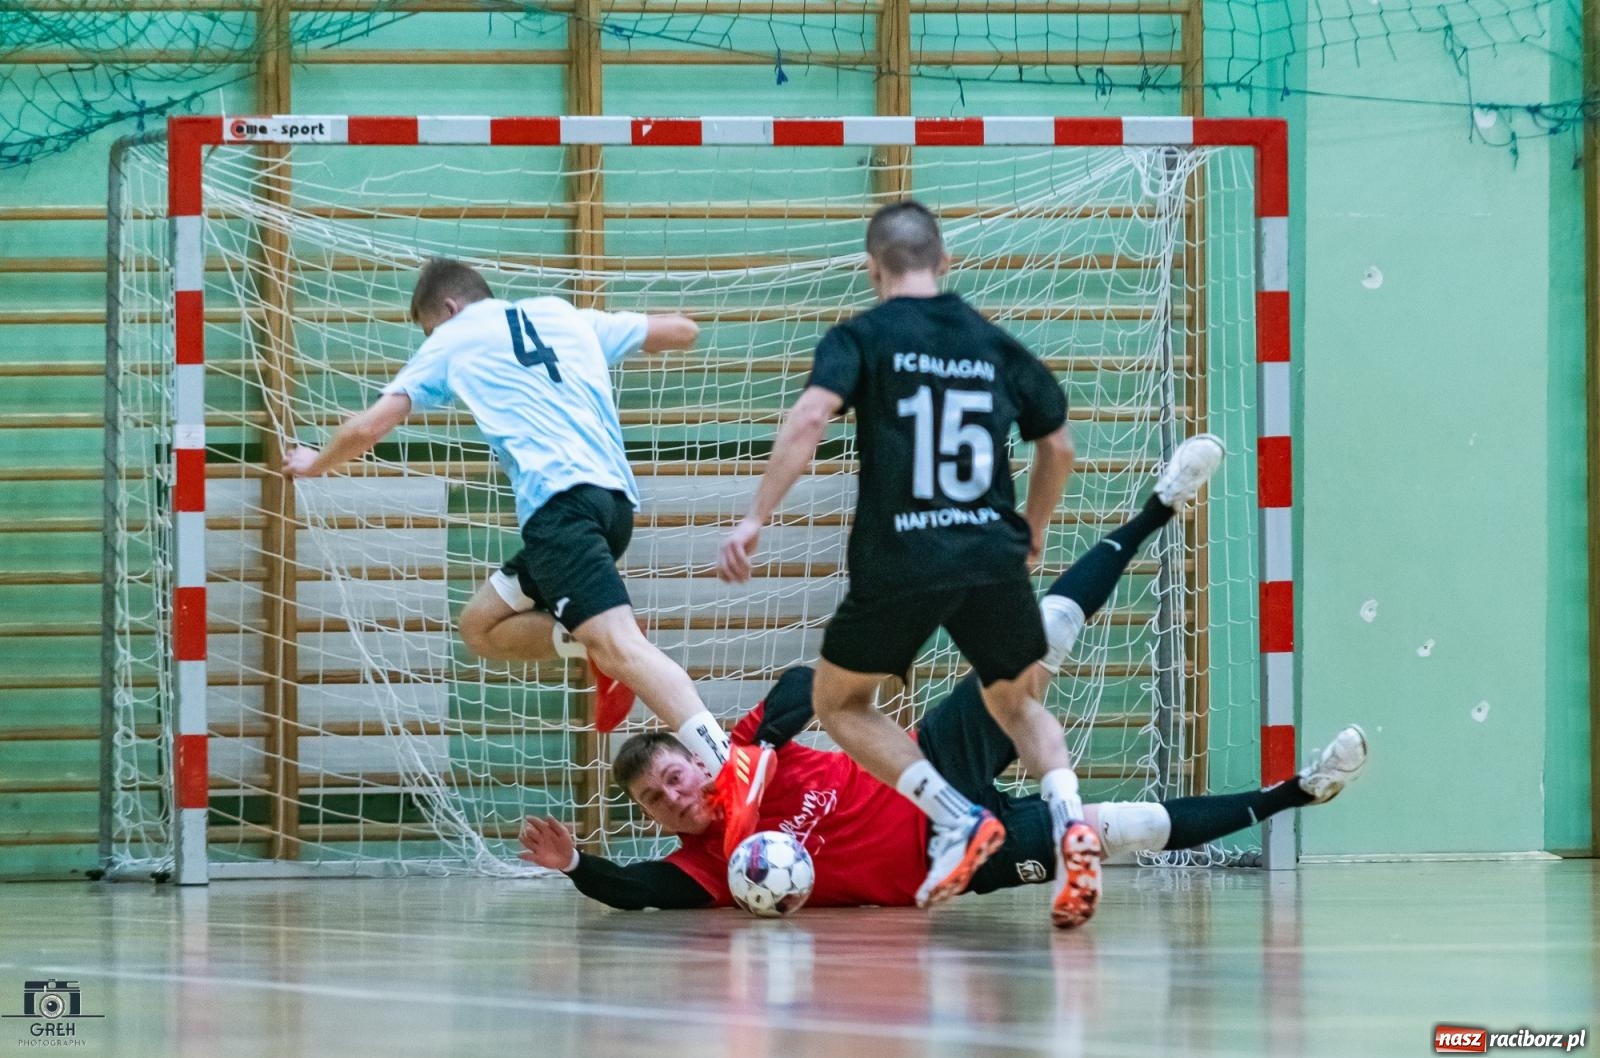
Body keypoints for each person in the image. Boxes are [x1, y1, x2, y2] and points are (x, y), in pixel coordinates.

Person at [524, 445, 1367, 912]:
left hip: (931, 759)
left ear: (691, 757)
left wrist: (759, 751)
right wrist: (577, 865)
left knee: (1041, 633)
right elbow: (638, 890)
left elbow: (802, 684)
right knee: (1129, 827)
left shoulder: (738, 751)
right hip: (955, 853)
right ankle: (1299, 790)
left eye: (673, 776)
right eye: (657, 801)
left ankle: (1159, 506)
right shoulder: (714, 866)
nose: (674, 797)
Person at [282, 258, 769, 832]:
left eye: (429, 331)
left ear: (450, 309)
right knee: (480, 626)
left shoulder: (455, 338)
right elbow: (679, 331)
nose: (431, 342)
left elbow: (368, 427)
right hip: (613, 506)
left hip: (559, 512)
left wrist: (315, 463)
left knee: (624, 649)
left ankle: (730, 764)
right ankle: (588, 646)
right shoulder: (563, 316)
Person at [715, 200, 1081, 925]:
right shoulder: (994, 343)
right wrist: (1032, 530)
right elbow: (1059, 446)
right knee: (1017, 703)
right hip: (993, 552)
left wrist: (756, 516)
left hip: (905, 555)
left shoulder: (863, 336)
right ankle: (1071, 820)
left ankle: (957, 817)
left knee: (839, 703)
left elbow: (811, 418)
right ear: (945, 261)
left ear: (871, 268)